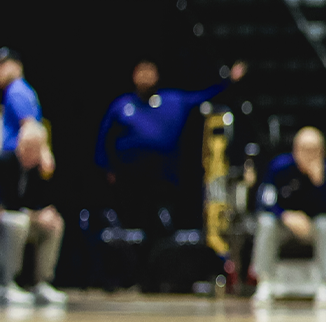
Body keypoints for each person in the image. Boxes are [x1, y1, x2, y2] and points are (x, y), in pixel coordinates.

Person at [96, 60, 246, 245]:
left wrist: (229, 81)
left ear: (157, 76)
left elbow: (205, 96)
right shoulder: (121, 105)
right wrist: (107, 168)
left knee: (160, 226)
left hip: (163, 181)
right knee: (130, 229)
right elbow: (104, 139)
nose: (145, 76)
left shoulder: (173, 101)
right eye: (141, 72)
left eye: (149, 71)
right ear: (134, 76)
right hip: (129, 181)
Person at [251, 126, 326, 304]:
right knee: (265, 223)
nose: (309, 154)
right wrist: (285, 216)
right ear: (295, 149)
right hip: (284, 225)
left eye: (314, 150)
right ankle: (264, 281)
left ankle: (325, 283)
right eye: (304, 149)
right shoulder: (279, 167)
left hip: (310, 227)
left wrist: (318, 183)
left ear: (322, 151)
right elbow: (264, 201)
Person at [0, 122, 65, 306]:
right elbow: (5, 204)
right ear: (19, 144)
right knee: (17, 222)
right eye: (25, 146)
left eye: (34, 148)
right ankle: (6, 284)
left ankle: (42, 284)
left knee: (55, 223)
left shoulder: (40, 170)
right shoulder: (4, 162)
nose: (28, 152)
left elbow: (43, 202)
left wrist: (45, 214)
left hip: (26, 218)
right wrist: (36, 215)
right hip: (5, 220)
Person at [0, 47, 41, 160]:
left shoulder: (15, 90)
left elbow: (30, 126)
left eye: (4, 65)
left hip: (15, 161)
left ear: (18, 66)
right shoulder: (24, 88)